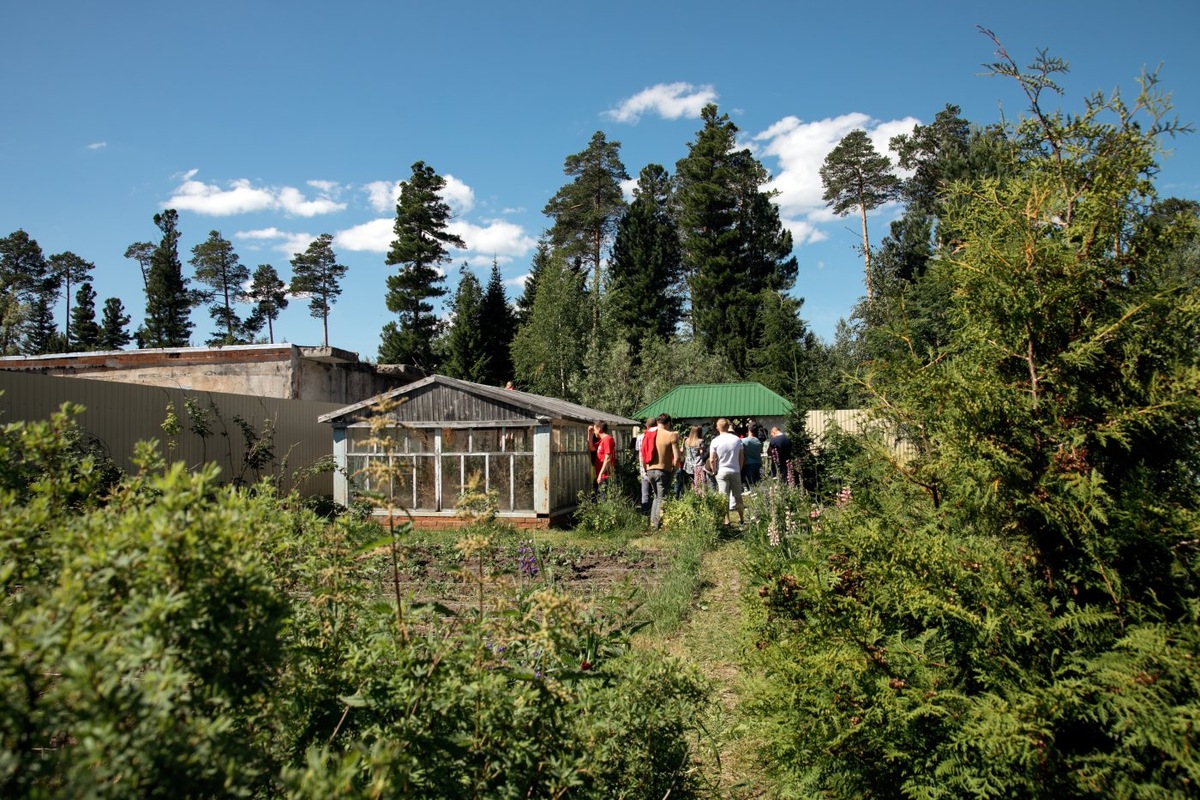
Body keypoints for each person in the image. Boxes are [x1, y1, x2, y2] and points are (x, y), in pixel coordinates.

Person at [645, 413, 681, 530]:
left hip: (650, 470)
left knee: (656, 497)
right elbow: (677, 457)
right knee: (662, 498)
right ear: (668, 423)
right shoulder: (671, 435)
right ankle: (657, 526)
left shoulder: (649, 434)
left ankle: (653, 523)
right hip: (663, 470)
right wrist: (674, 470)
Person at [708, 417, 744, 526]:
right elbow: (741, 457)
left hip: (722, 470)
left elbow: (712, 459)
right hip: (735, 470)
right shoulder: (737, 439)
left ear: (718, 427)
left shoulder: (715, 441)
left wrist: (714, 470)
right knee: (738, 496)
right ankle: (741, 519)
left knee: (724, 497)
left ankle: (727, 520)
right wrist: (739, 468)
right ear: (728, 427)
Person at [676, 424, 706, 497]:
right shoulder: (700, 441)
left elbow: (682, 450)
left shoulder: (686, 440)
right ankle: (698, 496)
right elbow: (701, 453)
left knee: (691, 482)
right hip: (697, 465)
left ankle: (690, 495)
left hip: (688, 465)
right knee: (698, 483)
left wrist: (683, 442)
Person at [636, 417, 657, 515]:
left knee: (645, 495)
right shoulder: (657, 435)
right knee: (657, 494)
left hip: (643, 469)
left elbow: (637, 452)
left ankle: (645, 515)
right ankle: (655, 514)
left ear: (646, 425)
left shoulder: (640, 437)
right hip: (655, 468)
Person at [591, 421, 615, 500]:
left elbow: (608, 458)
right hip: (600, 475)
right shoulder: (602, 441)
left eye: (594, 429)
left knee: (603, 497)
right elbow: (591, 448)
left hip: (604, 475)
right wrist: (589, 433)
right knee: (597, 496)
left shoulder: (607, 440)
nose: (594, 432)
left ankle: (605, 512)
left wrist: (601, 474)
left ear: (599, 429)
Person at [741, 424, 763, 490]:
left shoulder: (744, 441)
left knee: (750, 484)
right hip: (758, 463)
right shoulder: (759, 441)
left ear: (749, 430)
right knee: (758, 484)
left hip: (748, 464)